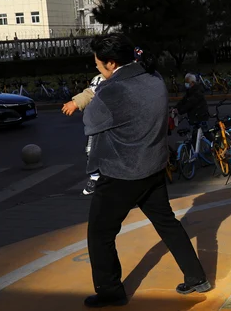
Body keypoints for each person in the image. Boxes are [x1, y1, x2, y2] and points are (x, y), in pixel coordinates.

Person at [83, 34, 210, 308]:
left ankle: (110, 291)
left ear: (111, 63)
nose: (96, 68)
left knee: (100, 233)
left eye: (97, 64)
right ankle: (197, 277)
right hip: (153, 167)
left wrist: (98, 89)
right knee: (167, 222)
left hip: (121, 173)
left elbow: (90, 122)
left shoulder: (112, 90)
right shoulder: (154, 78)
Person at [62, 74, 105, 195]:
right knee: (91, 151)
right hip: (96, 124)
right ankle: (95, 177)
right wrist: (77, 102)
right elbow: (91, 93)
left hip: (111, 124)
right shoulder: (100, 78)